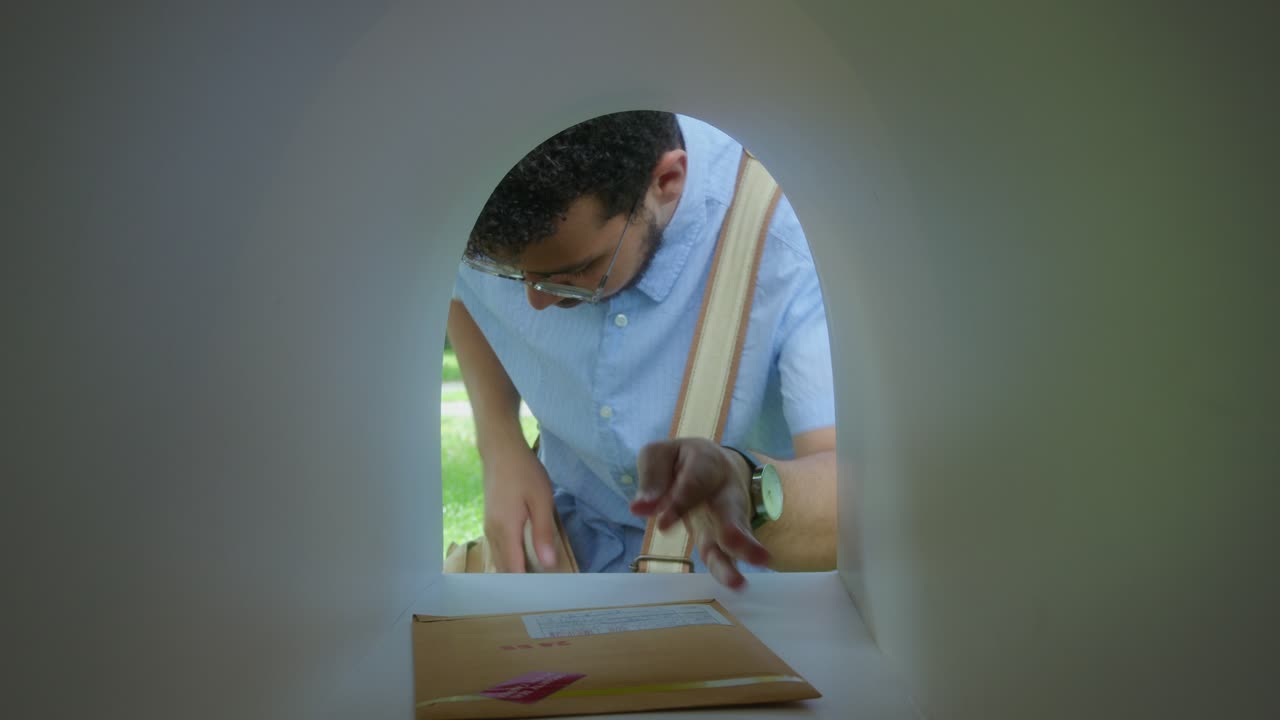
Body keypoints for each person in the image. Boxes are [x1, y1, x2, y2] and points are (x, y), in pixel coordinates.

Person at [448, 111, 836, 588]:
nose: (536, 300)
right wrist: (499, 438)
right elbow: (459, 292)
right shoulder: (479, 197)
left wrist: (746, 484)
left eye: (577, 273)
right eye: (509, 275)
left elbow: (849, 495)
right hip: (566, 558)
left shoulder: (792, 236)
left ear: (667, 181)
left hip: (736, 589)